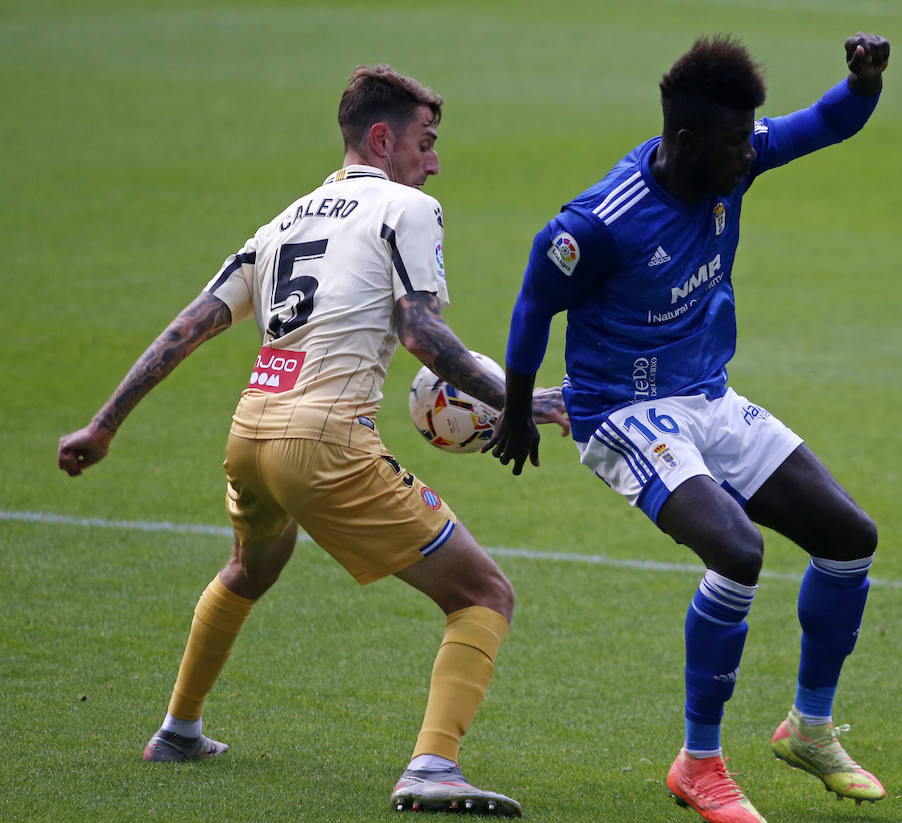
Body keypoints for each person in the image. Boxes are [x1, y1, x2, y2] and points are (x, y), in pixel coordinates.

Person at [57, 64, 568, 816]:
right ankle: (432, 766)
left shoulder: (286, 220)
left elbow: (190, 326)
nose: (433, 162)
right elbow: (423, 333)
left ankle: (178, 729)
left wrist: (105, 423)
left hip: (250, 431)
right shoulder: (406, 209)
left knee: (249, 566)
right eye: (425, 143)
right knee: (482, 592)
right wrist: (522, 402)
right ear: (382, 137)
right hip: (325, 441)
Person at [486, 32, 891, 823]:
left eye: (750, 138)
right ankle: (698, 763)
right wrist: (516, 410)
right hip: (622, 411)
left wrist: (864, 81)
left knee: (849, 536)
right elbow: (535, 304)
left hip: (705, 396)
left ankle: (808, 729)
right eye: (737, 142)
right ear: (684, 141)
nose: (750, 155)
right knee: (738, 548)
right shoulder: (598, 225)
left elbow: (827, 122)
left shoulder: (729, 157)